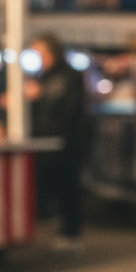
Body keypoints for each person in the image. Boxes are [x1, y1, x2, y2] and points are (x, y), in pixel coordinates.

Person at [28, 33, 87, 250]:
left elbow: (70, 110)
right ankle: (57, 224)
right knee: (49, 185)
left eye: (39, 52)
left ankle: (71, 234)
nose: (38, 57)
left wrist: (40, 96)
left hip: (66, 144)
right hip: (45, 143)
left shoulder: (70, 76)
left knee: (68, 189)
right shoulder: (41, 76)